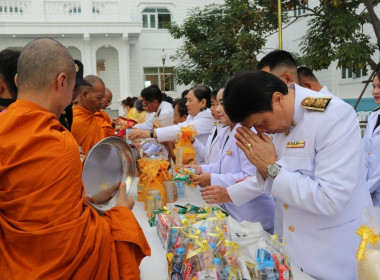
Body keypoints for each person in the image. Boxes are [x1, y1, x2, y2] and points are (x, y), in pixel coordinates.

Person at [0, 38, 150, 279]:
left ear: (17, 81)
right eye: (73, 90)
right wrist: (121, 213)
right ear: (61, 82)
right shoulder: (60, 143)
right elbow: (74, 240)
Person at [203, 69, 372, 280]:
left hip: (331, 252)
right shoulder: (278, 121)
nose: (261, 131)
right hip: (291, 248)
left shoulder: (332, 115)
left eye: (259, 124)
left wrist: (270, 166)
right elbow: (275, 175)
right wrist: (231, 192)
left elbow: (330, 198)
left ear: (277, 99)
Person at [192, 88, 274, 231]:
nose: (218, 109)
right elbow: (221, 165)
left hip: (252, 216)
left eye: (222, 103)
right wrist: (201, 169)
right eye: (216, 103)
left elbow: (253, 176)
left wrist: (212, 179)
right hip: (233, 211)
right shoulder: (225, 131)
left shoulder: (249, 133)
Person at [129, 85, 215, 163]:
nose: (186, 104)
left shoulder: (207, 117)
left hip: (202, 165)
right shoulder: (192, 116)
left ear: (203, 102)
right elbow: (178, 127)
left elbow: (180, 130)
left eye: (190, 100)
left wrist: (149, 133)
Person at [71, 75, 113, 154]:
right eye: (98, 98)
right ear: (84, 94)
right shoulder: (74, 121)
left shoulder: (92, 117)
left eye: (103, 98)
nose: (101, 102)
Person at [363, 69, 380, 206]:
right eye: (374, 86)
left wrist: (368, 188)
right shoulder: (373, 117)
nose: (375, 91)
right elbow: (364, 154)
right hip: (368, 192)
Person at [59, 59, 92, 131]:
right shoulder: (51, 108)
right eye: (70, 86)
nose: (73, 93)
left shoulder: (68, 107)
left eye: (76, 87)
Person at [192, 87, 222, 165]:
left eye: (214, 104)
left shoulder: (231, 129)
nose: (211, 108)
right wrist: (194, 141)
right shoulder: (216, 127)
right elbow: (207, 155)